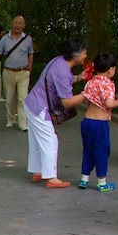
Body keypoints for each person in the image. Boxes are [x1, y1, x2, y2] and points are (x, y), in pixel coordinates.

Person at [23, 38, 87, 189]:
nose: (86, 55)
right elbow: (67, 102)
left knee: (37, 141)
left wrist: (78, 78)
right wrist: (87, 95)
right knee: (50, 140)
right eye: (84, 52)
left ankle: (38, 171)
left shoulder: (59, 62)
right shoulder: (63, 71)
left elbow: (61, 81)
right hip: (40, 108)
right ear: (75, 55)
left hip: (32, 104)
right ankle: (51, 178)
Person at [78, 53, 118, 192]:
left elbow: (86, 99)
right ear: (111, 69)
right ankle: (102, 181)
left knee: (88, 150)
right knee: (102, 151)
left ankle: (84, 178)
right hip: (100, 124)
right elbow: (109, 103)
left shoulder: (91, 81)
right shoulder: (108, 84)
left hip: (87, 121)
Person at [0, 16, 35, 132]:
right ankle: (11, 119)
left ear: (24, 25)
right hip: (8, 72)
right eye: (16, 23)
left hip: (23, 73)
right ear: (12, 24)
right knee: (9, 99)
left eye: (20, 23)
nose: (18, 25)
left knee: (22, 99)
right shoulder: (5, 39)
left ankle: (22, 122)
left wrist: (30, 67)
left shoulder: (28, 39)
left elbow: (31, 53)